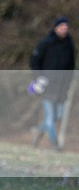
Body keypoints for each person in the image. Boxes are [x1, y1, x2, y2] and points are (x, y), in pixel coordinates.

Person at [30, 16, 76, 151]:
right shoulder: (46, 43)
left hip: (62, 88)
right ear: (56, 28)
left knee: (58, 115)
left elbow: (71, 67)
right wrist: (38, 78)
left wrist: (68, 83)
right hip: (47, 86)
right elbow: (34, 61)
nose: (64, 29)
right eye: (62, 27)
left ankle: (39, 131)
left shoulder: (69, 45)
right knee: (50, 116)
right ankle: (55, 145)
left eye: (66, 27)